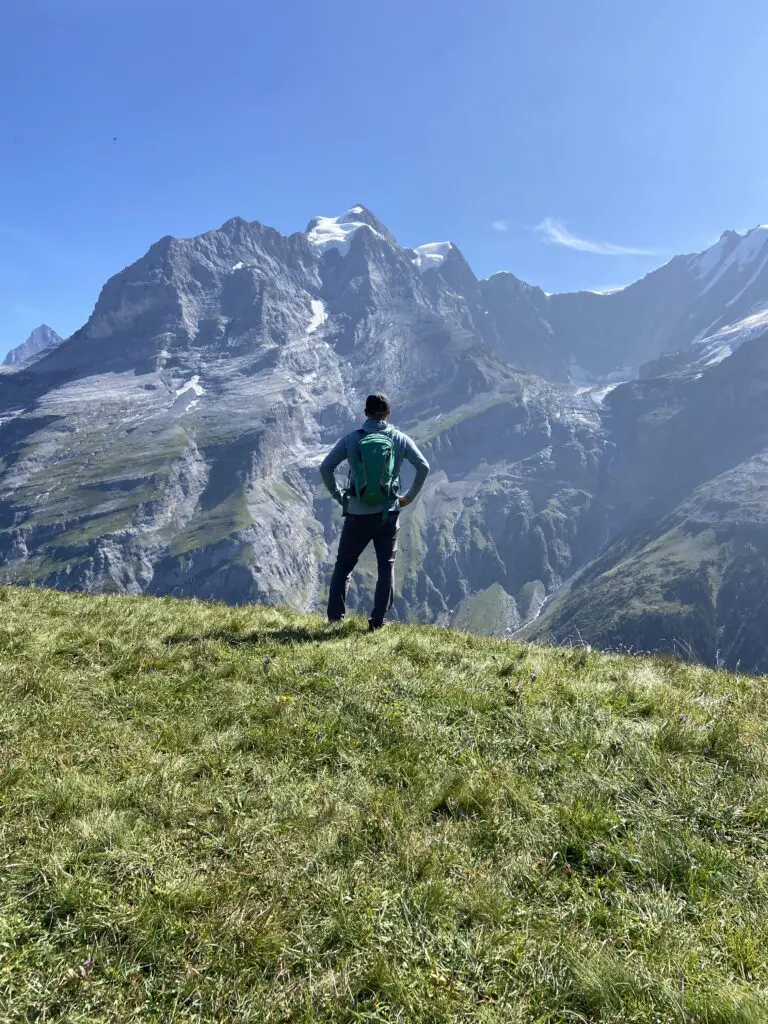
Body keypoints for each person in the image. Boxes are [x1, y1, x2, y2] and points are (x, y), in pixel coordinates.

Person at [320, 392, 430, 631]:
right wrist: (407, 498)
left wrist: (341, 497)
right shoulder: (399, 439)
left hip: (356, 515)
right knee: (386, 567)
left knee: (343, 566)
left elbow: (325, 467)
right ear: (388, 414)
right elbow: (423, 466)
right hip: (387, 515)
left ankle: (335, 620)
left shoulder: (351, 439)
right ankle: (377, 623)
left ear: (365, 414)